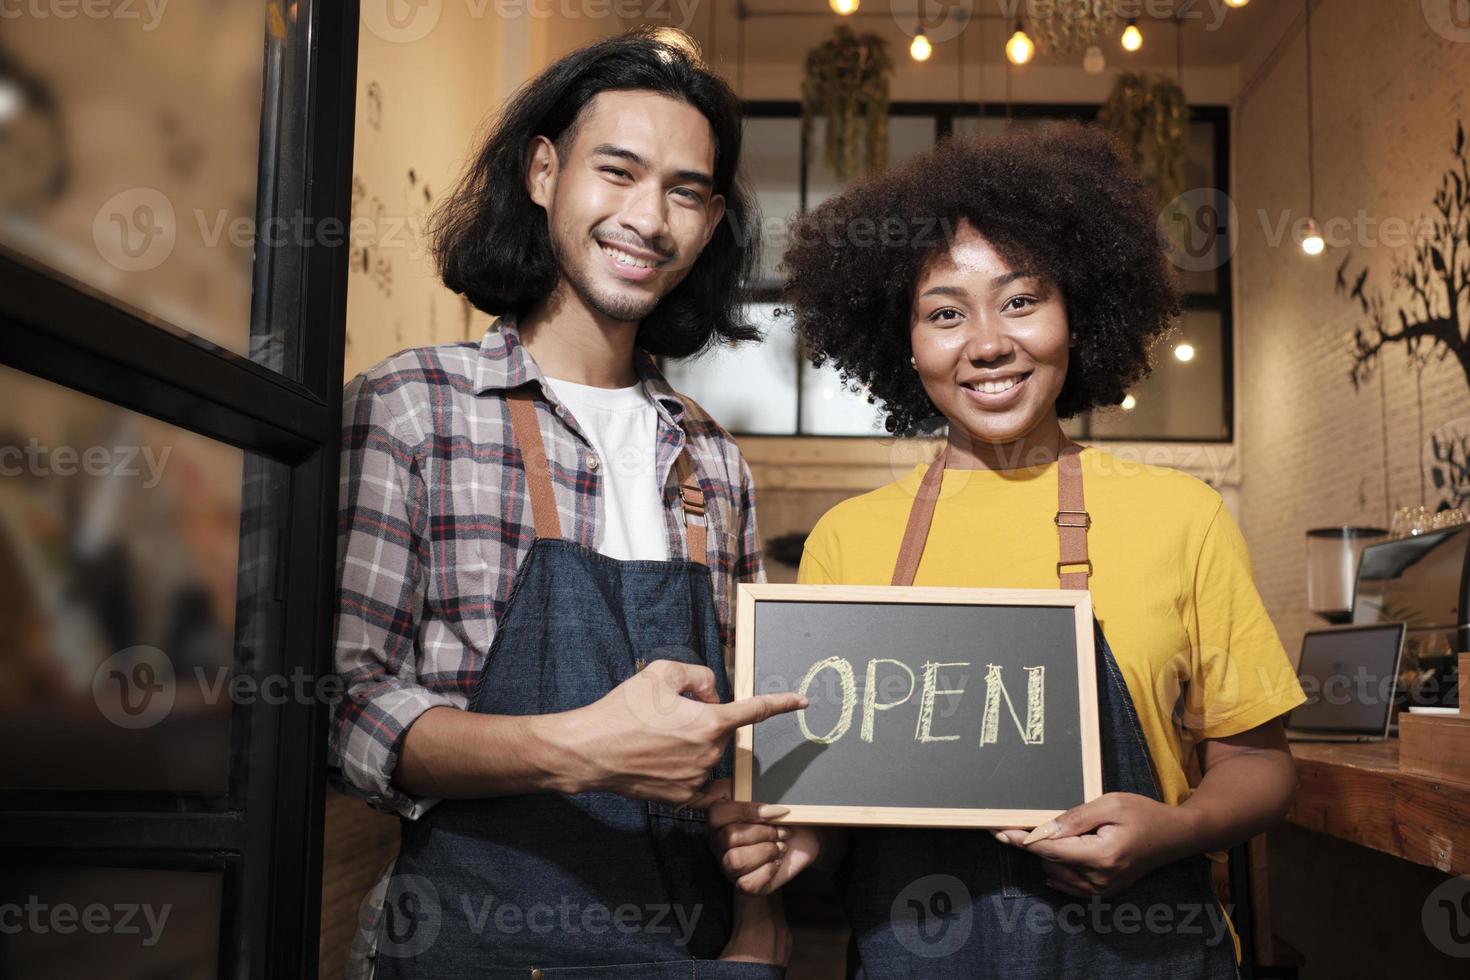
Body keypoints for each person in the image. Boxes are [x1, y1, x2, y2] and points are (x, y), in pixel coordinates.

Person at [709, 123, 1306, 977]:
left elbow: (1261, 769)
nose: (988, 343)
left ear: (1079, 311)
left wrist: (1171, 830)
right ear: (904, 342)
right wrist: (796, 838)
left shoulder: (1184, 516)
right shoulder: (848, 541)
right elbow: (830, 791)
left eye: (1022, 301)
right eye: (945, 313)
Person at [330, 28, 804, 978]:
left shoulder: (714, 461)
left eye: (685, 192)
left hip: (691, 947)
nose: (648, 217)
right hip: (469, 941)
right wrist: (581, 748)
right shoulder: (414, 409)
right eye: (617, 172)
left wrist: (763, 920)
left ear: (709, 225)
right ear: (544, 172)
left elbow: (752, 757)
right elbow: (347, 713)